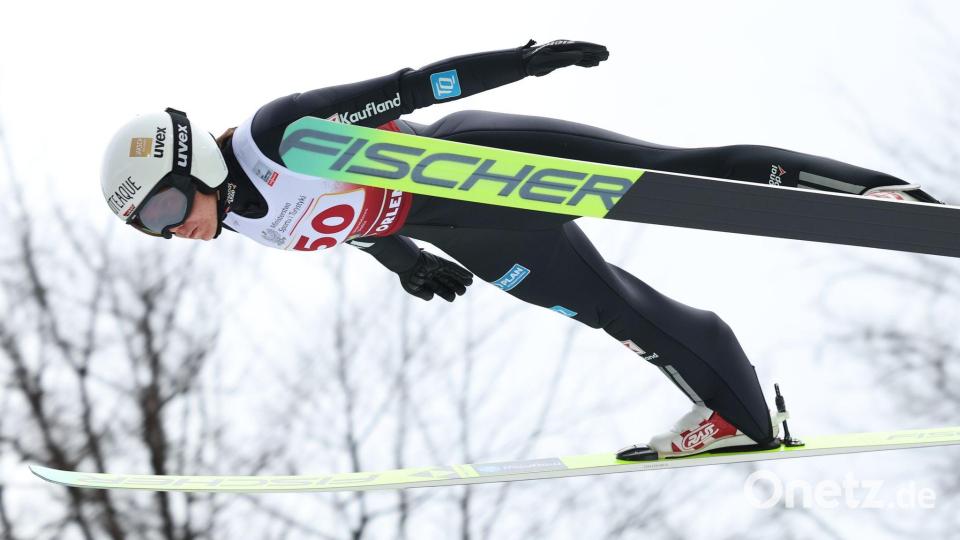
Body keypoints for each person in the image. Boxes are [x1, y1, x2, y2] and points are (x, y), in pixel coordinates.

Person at [100, 39, 943, 459]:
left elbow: (407, 89)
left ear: (191, 157)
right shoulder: (241, 220)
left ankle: (872, 193)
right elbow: (340, 220)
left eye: (167, 206)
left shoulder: (280, 134)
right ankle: (740, 415)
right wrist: (404, 261)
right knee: (611, 310)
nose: (175, 231)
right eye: (154, 228)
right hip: (474, 232)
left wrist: (525, 62)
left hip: (481, 162)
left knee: (674, 172)